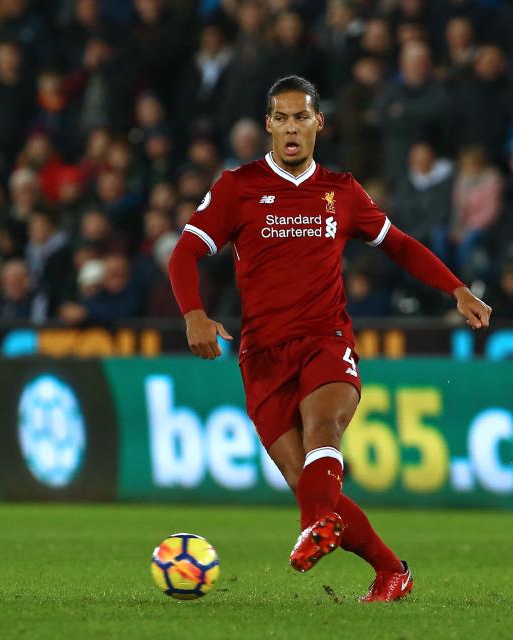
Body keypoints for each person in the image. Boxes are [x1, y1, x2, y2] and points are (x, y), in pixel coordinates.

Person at [168, 76, 492, 603]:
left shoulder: (342, 191)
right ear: (268, 125)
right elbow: (184, 253)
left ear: (319, 123)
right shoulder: (237, 187)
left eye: (302, 117)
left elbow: (400, 245)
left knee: (325, 426)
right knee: (307, 483)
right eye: (282, 118)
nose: (292, 128)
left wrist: (456, 288)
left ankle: (315, 527)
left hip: (326, 338)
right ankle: (391, 570)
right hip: (263, 355)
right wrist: (194, 314)